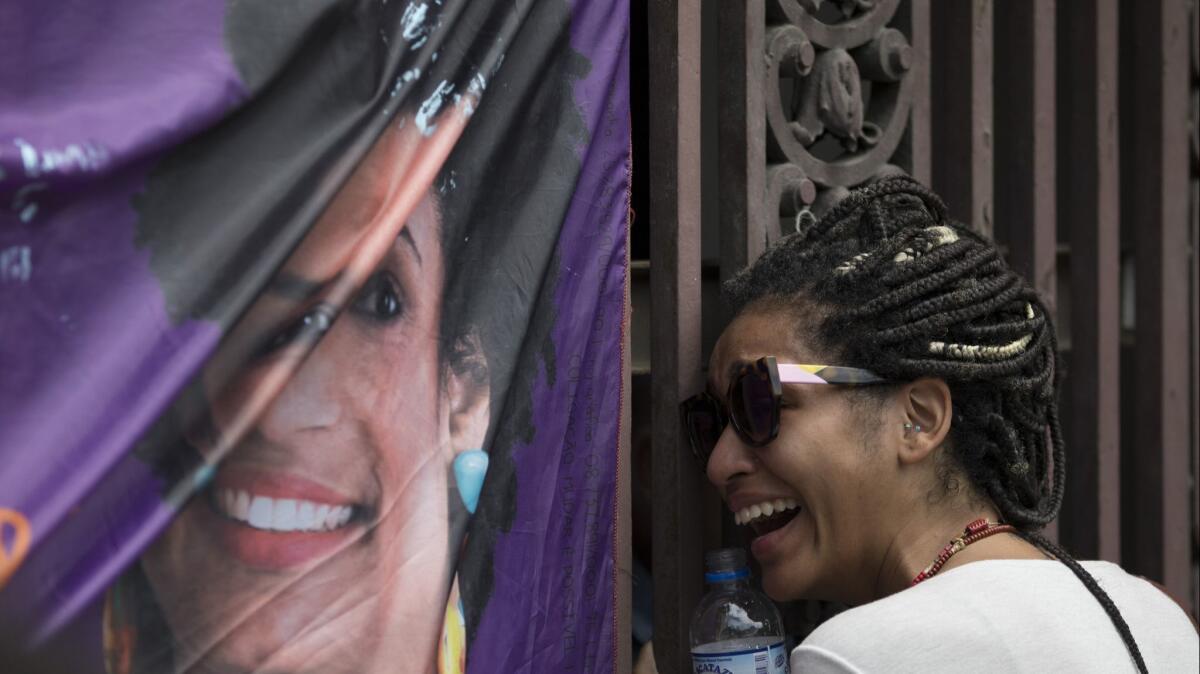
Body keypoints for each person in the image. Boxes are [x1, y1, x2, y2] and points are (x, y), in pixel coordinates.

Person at [682, 177, 1199, 672]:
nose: (719, 464)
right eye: (712, 423)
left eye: (758, 403)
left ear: (918, 419)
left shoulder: (862, 655)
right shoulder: (1156, 619)